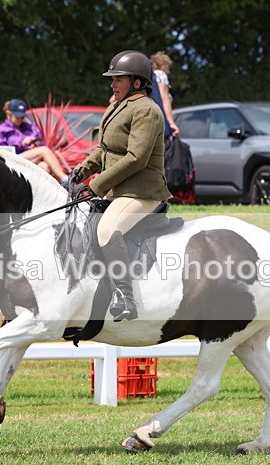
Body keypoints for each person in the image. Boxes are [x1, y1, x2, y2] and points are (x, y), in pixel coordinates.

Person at [67, 50, 172, 321]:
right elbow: (104, 148)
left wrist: (97, 185)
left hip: (143, 192)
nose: (112, 84)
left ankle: (126, 298)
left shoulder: (148, 111)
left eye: (118, 79)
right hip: (119, 191)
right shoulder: (116, 105)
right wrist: (82, 171)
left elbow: (136, 159)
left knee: (107, 228)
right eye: (112, 80)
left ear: (137, 82)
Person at [0, 99, 69, 183]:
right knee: (44, 150)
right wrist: (21, 144)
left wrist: (36, 145)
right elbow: (1, 152)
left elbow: (41, 143)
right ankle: (65, 179)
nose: (20, 119)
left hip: (30, 160)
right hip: (12, 160)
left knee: (44, 166)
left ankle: (39, 194)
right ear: (9, 114)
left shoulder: (31, 128)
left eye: (22, 117)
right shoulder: (1, 130)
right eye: (17, 116)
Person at [150, 51, 180, 136]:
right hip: (159, 123)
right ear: (164, 64)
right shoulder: (160, 75)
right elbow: (164, 99)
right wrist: (171, 123)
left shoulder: (145, 78)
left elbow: (112, 100)